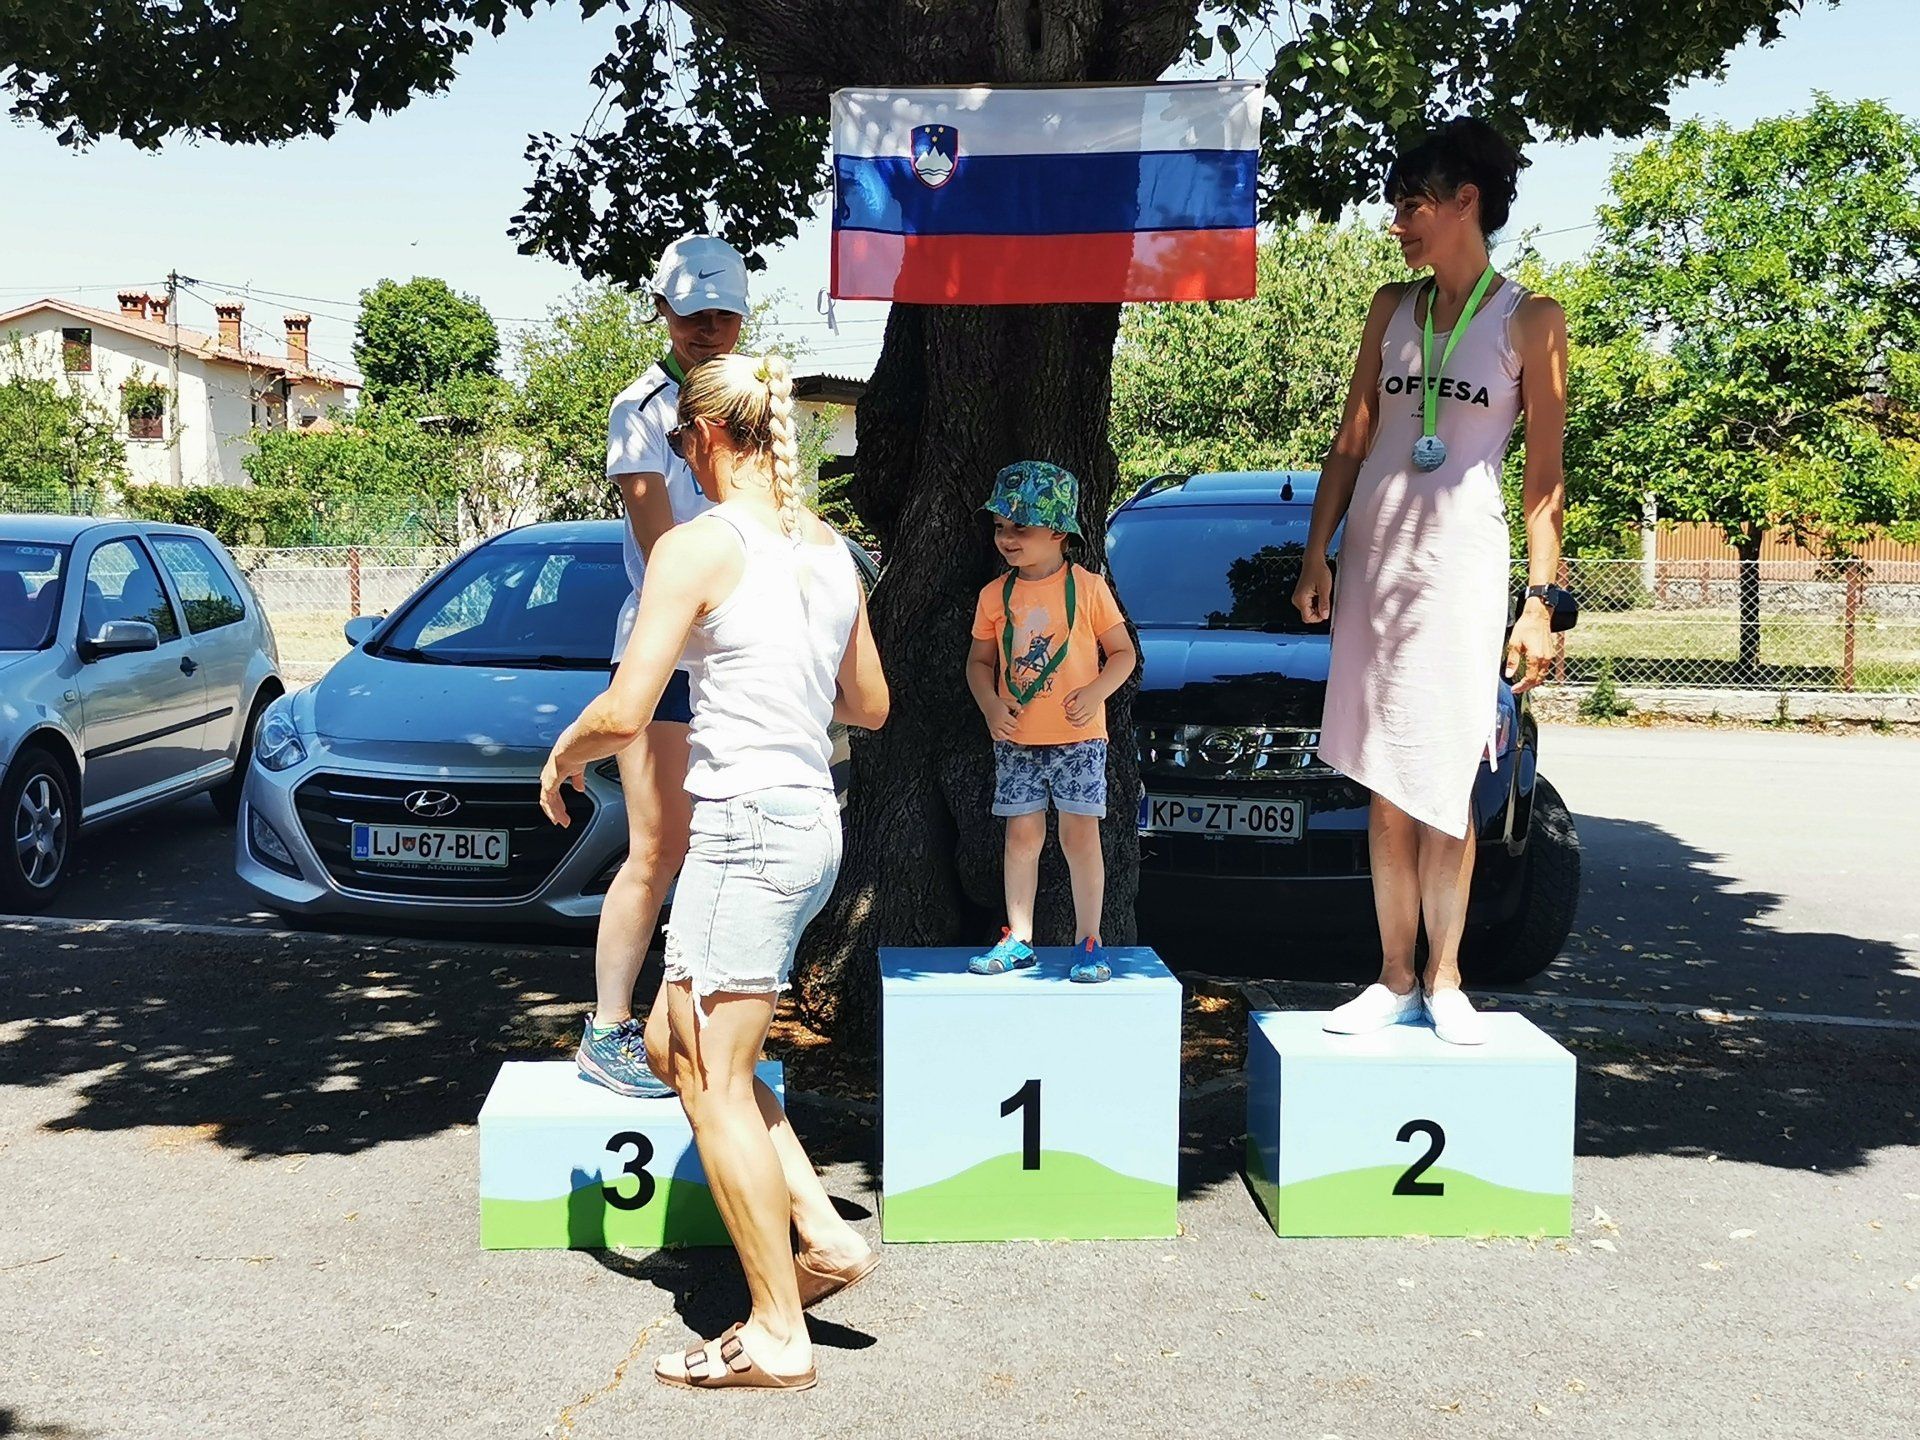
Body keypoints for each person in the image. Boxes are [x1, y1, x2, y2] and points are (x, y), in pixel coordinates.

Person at [540, 350, 889, 1392]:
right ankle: (824, 1236)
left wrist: (563, 755)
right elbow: (869, 705)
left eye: (681, 444)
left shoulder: (696, 547)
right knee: (669, 1042)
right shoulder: (825, 548)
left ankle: (777, 1330)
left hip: (745, 832)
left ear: (699, 438)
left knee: (714, 1080)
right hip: (807, 823)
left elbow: (626, 709)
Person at [1292, 117, 1568, 1046]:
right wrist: (1317, 552)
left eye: (1413, 204)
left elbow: (1544, 481)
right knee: (1385, 779)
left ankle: (1447, 980)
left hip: (1462, 570)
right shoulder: (1391, 307)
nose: (1399, 222)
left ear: (1466, 203)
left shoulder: (1531, 320)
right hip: (1378, 565)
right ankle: (1393, 976)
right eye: (1396, 205)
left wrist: (1541, 603)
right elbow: (1351, 441)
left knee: (1445, 777)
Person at [575, 235, 749, 1099]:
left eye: (723, 315)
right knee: (658, 847)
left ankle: (692, 1022)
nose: (707, 330)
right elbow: (661, 546)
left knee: (727, 846)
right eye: (692, 315)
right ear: (662, 311)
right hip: (667, 649)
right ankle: (607, 1027)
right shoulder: (639, 407)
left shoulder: (753, 399)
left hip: (741, 651)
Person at [964, 461, 1136, 983]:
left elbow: (1123, 653)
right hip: (1017, 738)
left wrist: (1096, 691)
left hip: (1080, 739)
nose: (1006, 538)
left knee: (1080, 838)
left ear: (1059, 531)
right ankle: (1019, 937)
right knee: (1021, 837)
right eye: (1000, 526)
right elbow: (978, 663)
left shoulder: (1089, 588)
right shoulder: (994, 595)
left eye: (1021, 526)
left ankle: (1090, 940)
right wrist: (991, 705)